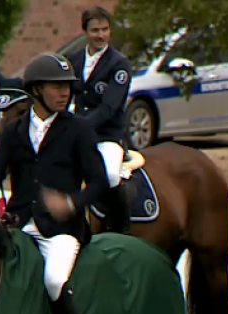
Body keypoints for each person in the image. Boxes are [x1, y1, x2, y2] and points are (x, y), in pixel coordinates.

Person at [0, 52, 108, 314]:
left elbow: (97, 182)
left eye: (67, 87)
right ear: (36, 90)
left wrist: (71, 203)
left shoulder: (79, 129)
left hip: (61, 230)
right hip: (20, 226)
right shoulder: (13, 132)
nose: (65, 92)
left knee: (52, 281)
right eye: (56, 86)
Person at [66, 6, 134, 234]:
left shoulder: (119, 65)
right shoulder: (72, 61)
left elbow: (109, 108)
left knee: (111, 175)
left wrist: (78, 127)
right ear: (85, 31)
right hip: (74, 133)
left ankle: (119, 227)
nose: (101, 35)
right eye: (95, 30)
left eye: (105, 30)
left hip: (107, 136)